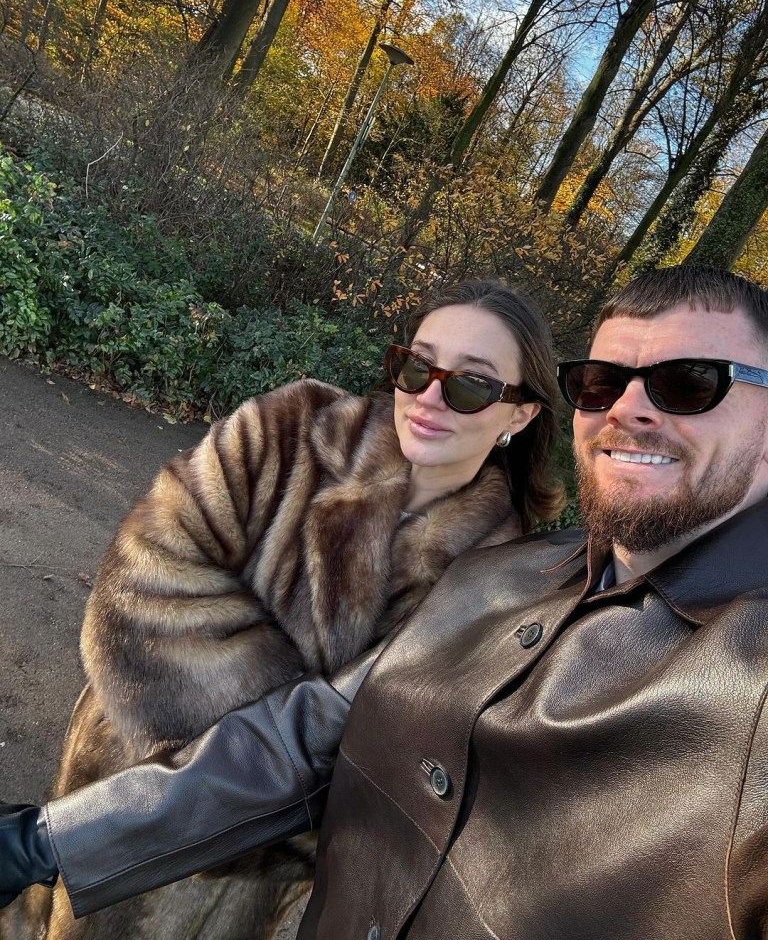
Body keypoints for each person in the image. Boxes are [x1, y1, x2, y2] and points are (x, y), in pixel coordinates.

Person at [4, 264, 768, 940]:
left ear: (521, 414)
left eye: (691, 383)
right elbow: (306, 734)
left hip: (249, 865)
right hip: (129, 781)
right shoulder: (517, 579)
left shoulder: (500, 561)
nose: (630, 409)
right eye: (602, 384)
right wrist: (54, 838)